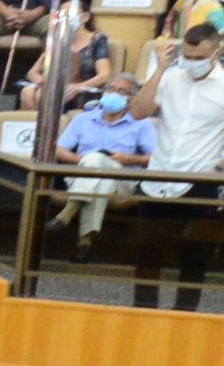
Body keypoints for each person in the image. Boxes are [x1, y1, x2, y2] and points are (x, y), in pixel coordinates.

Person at [126, 26, 224, 312]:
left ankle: (185, 315)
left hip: (200, 180)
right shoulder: (169, 78)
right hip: (157, 177)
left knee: (194, 257)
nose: (192, 61)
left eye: (199, 57)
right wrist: (160, 69)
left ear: (216, 53)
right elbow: (137, 112)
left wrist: (220, 170)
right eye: (187, 55)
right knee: (146, 255)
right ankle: (142, 312)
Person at [52, 74, 157, 246]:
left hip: (121, 179)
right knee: (99, 173)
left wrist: (131, 159)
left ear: (131, 98)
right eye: (111, 89)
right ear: (102, 92)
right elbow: (59, 150)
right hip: (82, 173)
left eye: (121, 91)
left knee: (98, 166)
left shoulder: (142, 124)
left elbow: (156, 158)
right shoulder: (82, 119)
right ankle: (86, 238)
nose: (114, 94)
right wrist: (85, 159)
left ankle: (69, 211)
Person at [16, 19, 118, 116]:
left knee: (41, 95)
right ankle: (32, 125)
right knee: (27, 92)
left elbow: (105, 75)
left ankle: (44, 126)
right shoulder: (59, 39)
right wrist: (44, 81)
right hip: (54, 86)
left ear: (85, 16)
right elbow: (32, 73)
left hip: (81, 90)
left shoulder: (97, 40)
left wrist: (78, 87)